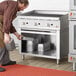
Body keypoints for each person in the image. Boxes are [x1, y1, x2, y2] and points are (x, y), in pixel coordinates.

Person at [0, 0, 29, 72]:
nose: (23, 9)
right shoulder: (12, 6)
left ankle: (5, 61)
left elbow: (9, 22)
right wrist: (6, 34)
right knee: (1, 43)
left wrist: (17, 34)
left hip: (1, 23)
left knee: (4, 43)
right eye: (24, 7)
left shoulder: (14, 7)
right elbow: (6, 20)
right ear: (20, 3)